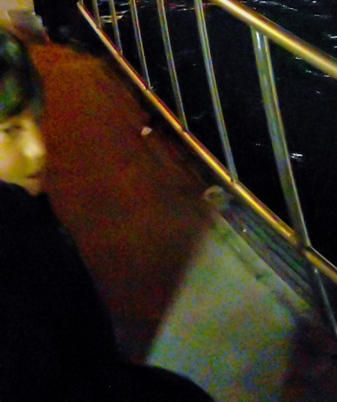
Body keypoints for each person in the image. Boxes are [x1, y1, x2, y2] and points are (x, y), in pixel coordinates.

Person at [0, 28, 213, 401]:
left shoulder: (22, 217)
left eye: (37, 121)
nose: (38, 151)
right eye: (11, 130)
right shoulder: (15, 248)